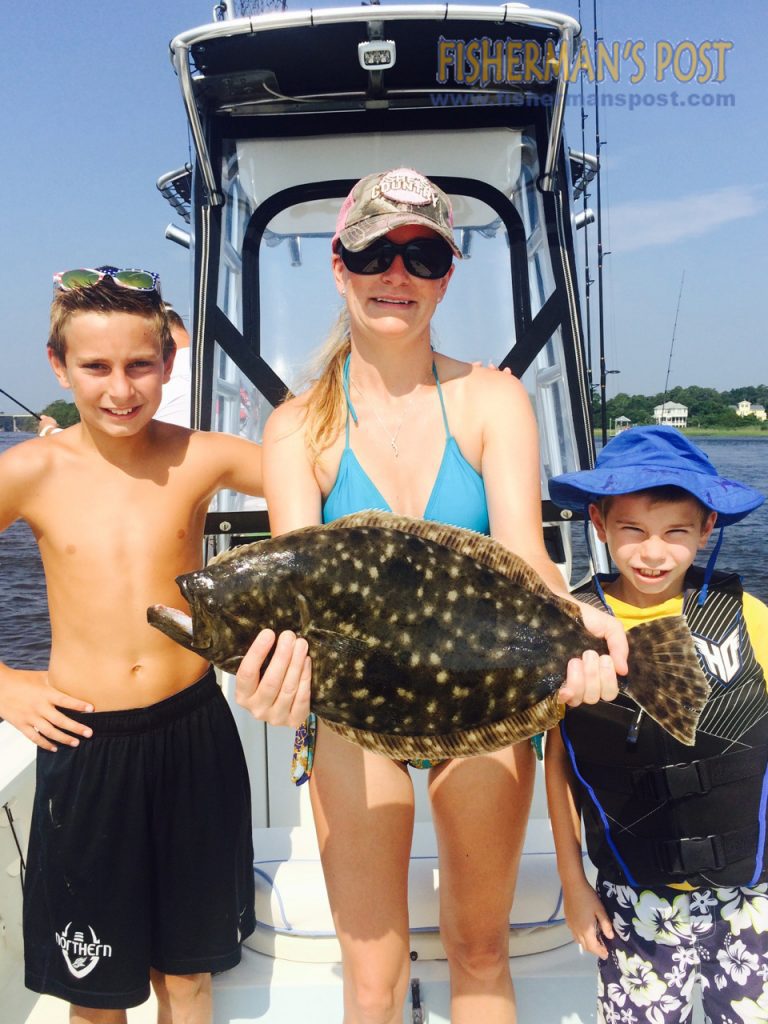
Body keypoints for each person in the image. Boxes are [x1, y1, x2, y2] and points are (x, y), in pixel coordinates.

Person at [236, 167, 628, 1024]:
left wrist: (580, 627)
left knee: (480, 949)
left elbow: (527, 558)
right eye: (374, 251)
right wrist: (273, 675)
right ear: (339, 265)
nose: (396, 274)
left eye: (421, 255)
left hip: (478, 689)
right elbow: (293, 595)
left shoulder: (493, 399)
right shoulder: (297, 426)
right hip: (350, 709)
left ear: (447, 277)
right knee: (370, 975)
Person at [0, 265, 310, 1024]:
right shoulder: (29, 469)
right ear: (58, 366)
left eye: (140, 365)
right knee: (97, 992)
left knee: (188, 978)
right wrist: (4, 681)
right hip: (85, 740)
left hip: (194, 730)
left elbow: (324, 476)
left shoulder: (202, 455)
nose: (120, 389)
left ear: (169, 363)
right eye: (95, 367)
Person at [545, 425, 768, 1024]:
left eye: (675, 533)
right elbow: (559, 758)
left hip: (755, 893)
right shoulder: (575, 626)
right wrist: (572, 880)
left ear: (706, 529)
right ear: (597, 522)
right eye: (632, 531)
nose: (652, 553)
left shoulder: (748, 617)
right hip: (635, 897)